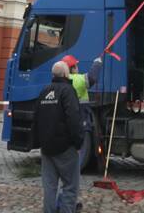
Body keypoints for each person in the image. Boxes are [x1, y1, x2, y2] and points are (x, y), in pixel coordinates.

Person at [33, 60, 82, 213]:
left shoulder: (44, 91)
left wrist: (37, 142)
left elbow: (36, 118)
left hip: (47, 148)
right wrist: (78, 142)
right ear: (66, 74)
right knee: (70, 186)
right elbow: (73, 118)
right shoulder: (68, 90)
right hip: (65, 147)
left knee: (49, 186)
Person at [60, 54, 102, 169]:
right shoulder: (77, 79)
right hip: (81, 117)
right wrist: (97, 63)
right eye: (76, 66)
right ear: (72, 68)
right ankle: (75, 168)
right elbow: (92, 78)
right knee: (82, 145)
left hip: (67, 119)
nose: (78, 68)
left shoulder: (62, 81)